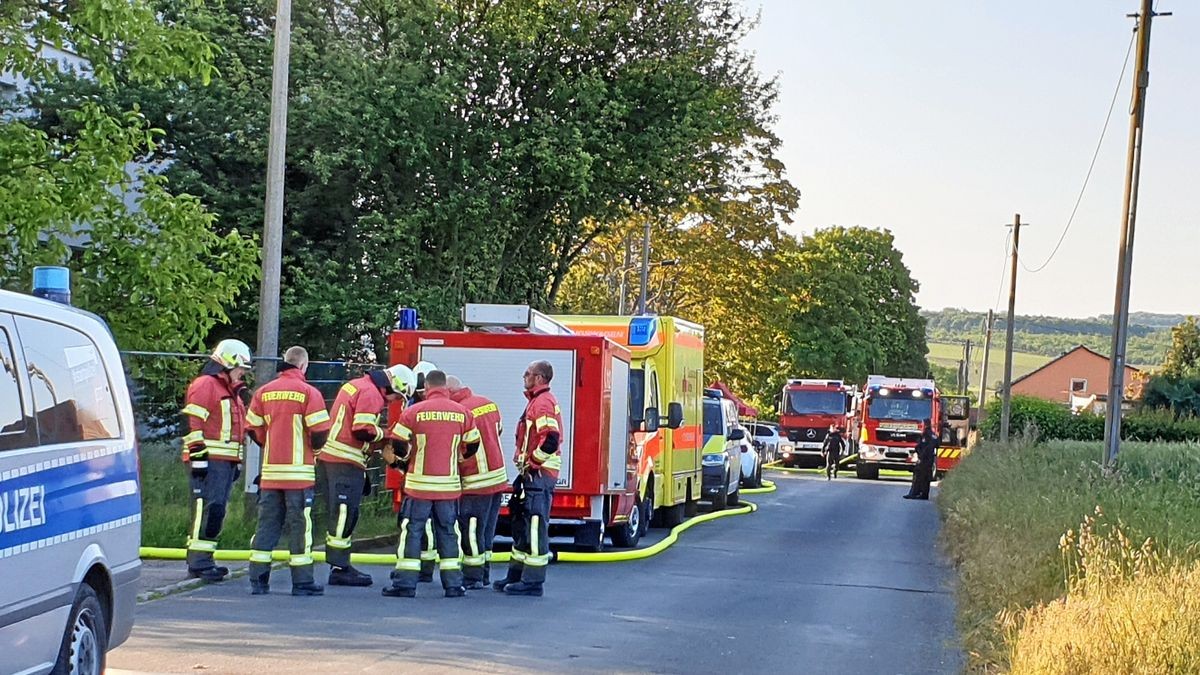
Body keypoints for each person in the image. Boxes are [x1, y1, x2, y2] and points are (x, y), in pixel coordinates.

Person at [381, 369, 481, 598]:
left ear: (426, 387)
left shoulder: (413, 412)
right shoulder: (463, 413)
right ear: (445, 388)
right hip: (449, 486)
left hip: (419, 486)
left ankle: (405, 584)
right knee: (448, 532)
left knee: (413, 532)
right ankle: (453, 585)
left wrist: (406, 459)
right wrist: (459, 458)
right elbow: (473, 444)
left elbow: (397, 442)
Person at [317, 364, 417, 587]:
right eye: (396, 397)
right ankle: (339, 567)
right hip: (345, 460)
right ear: (393, 386)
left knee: (341, 513)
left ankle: (339, 565)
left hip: (334, 458)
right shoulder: (371, 393)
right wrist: (387, 435)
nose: (392, 401)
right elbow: (362, 429)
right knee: (345, 514)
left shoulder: (357, 385)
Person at [244, 346, 332, 596]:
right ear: (304, 366)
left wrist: (271, 446)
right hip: (299, 475)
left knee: (266, 526)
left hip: (271, 474)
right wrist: (312, 453)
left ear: (285, 362)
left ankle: (258, 581)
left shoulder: (263, 392)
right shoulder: (308, 393)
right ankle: (302, 582)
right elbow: (319, 431)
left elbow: (253, 429)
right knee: (299, 527)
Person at [180, 338, 252, 582]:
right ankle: (198, 563)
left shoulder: (231, 393)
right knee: (205, 510)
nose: (242, 373)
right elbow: (192, 423)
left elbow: (237, 432)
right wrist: (199, 458)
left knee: (216, 511)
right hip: (209, 461)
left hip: (225, 462)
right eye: (241, 368)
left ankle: (206, 560)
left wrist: (237, 462)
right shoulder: (205, 385)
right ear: (228, 363)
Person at [495, 360, 562, 597]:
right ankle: (516, 575)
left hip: (539, 474)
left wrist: (533, 462)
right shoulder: (537, 401)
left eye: (529, 373)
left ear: (540, 378)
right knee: (523, 524)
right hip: (532, 474)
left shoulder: (542, 403)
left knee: (534, 525)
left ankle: (533, 581)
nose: (524, 376)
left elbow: (551, 439)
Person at [447, 375, 509, 590]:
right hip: (497, 479)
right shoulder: (488, 403)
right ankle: (483, 574)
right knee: (486, 530)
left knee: (471, 530)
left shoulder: (459, 413)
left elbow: (458, 447)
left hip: (476, 481)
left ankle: (472, 576)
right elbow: (497, 431)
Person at [904, 420, 940, 500]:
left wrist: (920, 454)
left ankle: (915, 493)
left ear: (925, 425)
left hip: (924, 459)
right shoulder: (933, 435)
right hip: (930, 459)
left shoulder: (926, 435)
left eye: (923, 424)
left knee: (919, 476)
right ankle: (923, 494)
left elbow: (922, 446)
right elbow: (937, 444)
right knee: (926, 477)